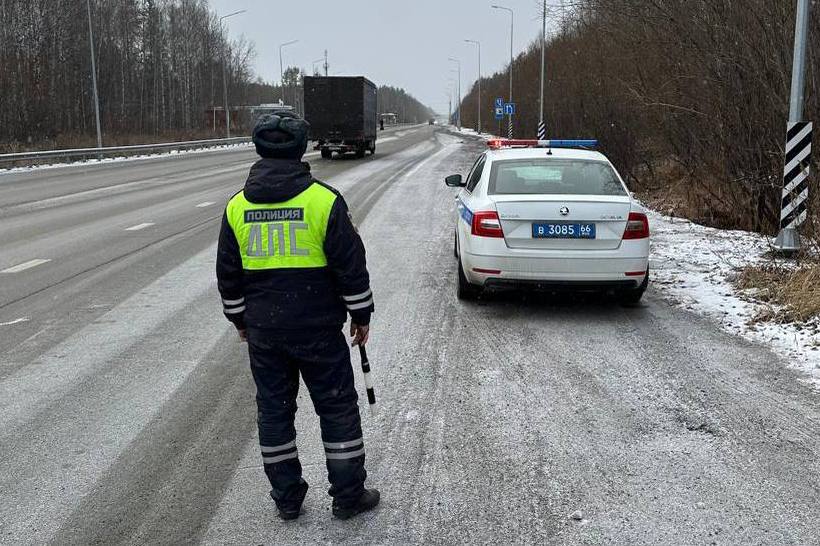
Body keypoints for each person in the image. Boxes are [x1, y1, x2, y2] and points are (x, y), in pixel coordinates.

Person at [216, 111, 379, 521]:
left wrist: (240, 322)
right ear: (301, 148)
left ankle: (287, 499)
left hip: (266, 333)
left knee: (274, 412)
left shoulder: (236, 208)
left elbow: (228, 275)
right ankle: (347, 496)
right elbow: (350, 266)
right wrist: (361, 314)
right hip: (319, 329)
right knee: (337, 408)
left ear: (259, 149)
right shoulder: (323, 201)